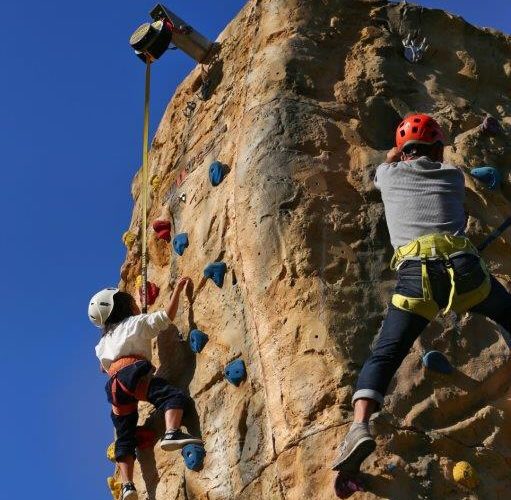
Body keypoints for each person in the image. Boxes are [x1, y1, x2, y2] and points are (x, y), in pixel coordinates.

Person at [331, 114, 511, 474]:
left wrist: (395, 154)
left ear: (404, 151)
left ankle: (359, 427)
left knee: (384, 354)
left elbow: (384, 167)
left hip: (418, 279)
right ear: (438, 148)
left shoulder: (389, 175)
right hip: (466, 273)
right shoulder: (451, 176)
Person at [89, 278, 202, 500]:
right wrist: (177, 290)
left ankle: (127, 485)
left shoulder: (102, 343)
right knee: (171, 396)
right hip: (132, 374)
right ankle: (172, 432)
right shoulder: (135, 323)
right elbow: (166, 317)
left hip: (114, 387)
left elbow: (104, 367)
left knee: (125, 436)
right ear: (123, 306)